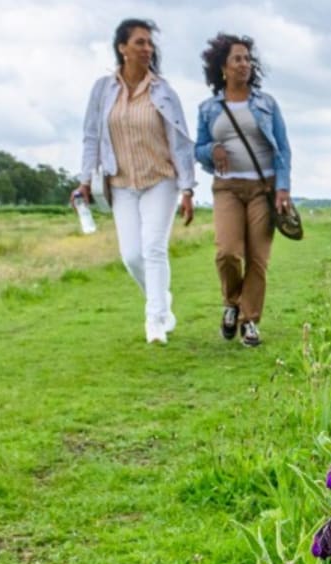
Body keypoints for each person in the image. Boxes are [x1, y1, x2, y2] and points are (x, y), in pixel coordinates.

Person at [76, 18, 197, 345]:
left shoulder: (163, 91)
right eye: (140, 42)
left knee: (154, 248)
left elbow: (180, 140)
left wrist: (187, 188)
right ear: (122, 48)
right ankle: (162, 301)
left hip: (161, 180)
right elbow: (91, 136)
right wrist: (85, 179)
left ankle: (155, 320)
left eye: (149, 43)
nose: (147, 48)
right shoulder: (102, 91)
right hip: (120, 183)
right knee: (131, 256)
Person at [194, 32, 293, 348]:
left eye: (247, 59)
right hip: (227, 188)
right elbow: (197, 148)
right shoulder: (209, 108)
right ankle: (231, 302)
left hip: (263, 187)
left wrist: (283, 188)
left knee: (258, 259)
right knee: (227, 252)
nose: (244, 64)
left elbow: (283, 149)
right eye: (237, 59)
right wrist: (212, 151)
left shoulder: (267, 104)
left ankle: (249, 321)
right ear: (223, 66)